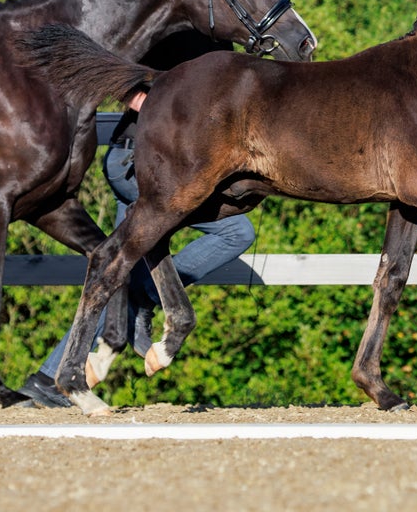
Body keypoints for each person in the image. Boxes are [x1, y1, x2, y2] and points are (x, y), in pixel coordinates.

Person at [17, 106, 255, 408]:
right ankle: (146, 295)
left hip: (162, 163)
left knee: (118, 276)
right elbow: (129, 90)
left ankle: (46, 381)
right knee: (236, 231)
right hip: (140, 163)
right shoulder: (164, 71)